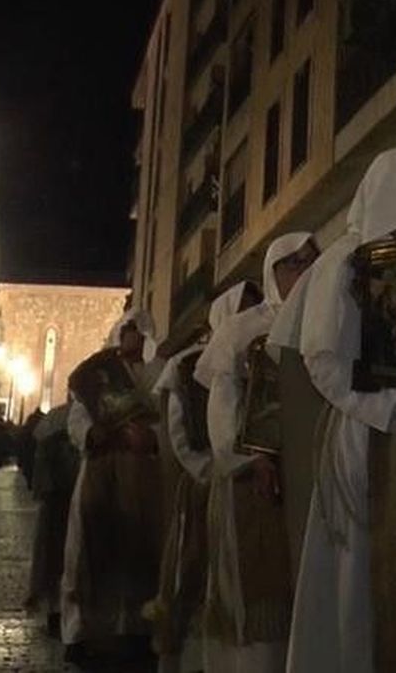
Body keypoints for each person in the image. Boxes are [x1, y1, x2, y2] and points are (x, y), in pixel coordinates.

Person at [271, 148, 396, 672]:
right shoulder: (343, 260)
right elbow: (323, 358)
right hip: (363, 434)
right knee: (357, 578)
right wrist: (385, 405)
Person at [195, 232, 317, 673]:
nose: (303, 273)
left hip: (308, 477)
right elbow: (222, 407)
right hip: (254, 480)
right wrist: (248, 458)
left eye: (310, 263)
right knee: (255, 589)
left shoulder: (324, 322)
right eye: (293, 264)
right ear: (273, 272)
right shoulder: (242, 330)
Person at [147, 283, 260, 671]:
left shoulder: (259, 356)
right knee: (190, 574)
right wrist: (209, 472)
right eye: (242, 306)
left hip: (246, 486)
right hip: (203, 487)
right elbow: (179, 433)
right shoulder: (186, 365)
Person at [59, 317, 167, 663]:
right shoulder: (99, 373)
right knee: (86, 550)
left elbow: (168, 416)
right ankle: (80, 631)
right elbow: (79, 419)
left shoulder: (158, 372)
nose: (133, 337)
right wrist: (98, 434)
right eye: (128, 330)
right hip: (100, 467)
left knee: (138, 549)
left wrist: (152, 439)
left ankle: (134, 628)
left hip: (141, 472)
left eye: (139, 331)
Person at [25, 401, 78, 638]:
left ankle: (56, 610)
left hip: (55, 497)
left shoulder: (53, 420)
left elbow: (38, 464)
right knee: (61, 556)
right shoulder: (72, 418)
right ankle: (60, 611)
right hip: (66, 496)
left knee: (53, 557)